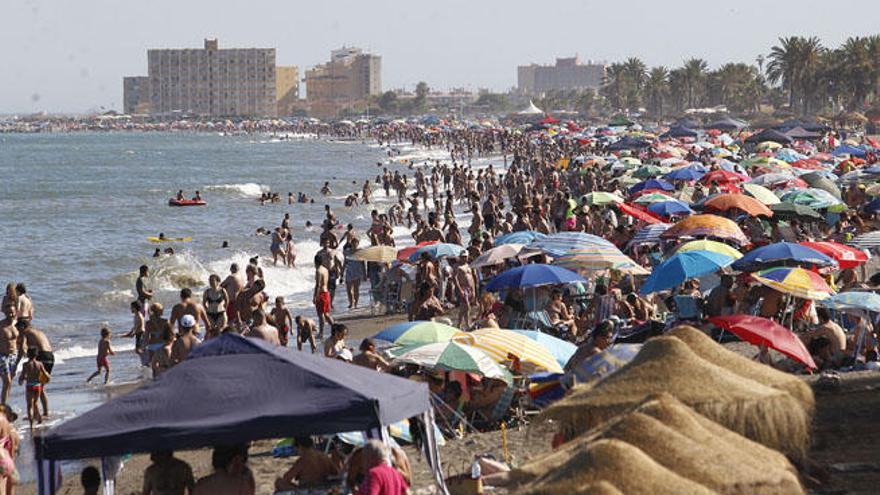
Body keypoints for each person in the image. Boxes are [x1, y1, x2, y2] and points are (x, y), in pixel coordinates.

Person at [15, 319, 53, 416]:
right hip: (50, 356)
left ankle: (36, 414)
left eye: (18, 329)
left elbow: (22, 350)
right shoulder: (37, 331)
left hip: (42, 356)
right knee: (41, 387)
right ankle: (45, 413)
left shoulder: (26, 333)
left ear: (22, 327)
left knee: (36, 386)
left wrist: (16, 364)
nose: (18, 332)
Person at [274, 436, 338, 490]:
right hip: (324, 487)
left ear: (300, 446)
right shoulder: (324, 456)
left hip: (308, 489)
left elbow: (286, 478)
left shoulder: (303, 460)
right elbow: (335, 473)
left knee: (279, 482)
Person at [19, 347, 48, 428]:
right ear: (36, 355)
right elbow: (45, 374)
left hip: (30, 386)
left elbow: (22, 376)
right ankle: (39, 418)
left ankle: (31, 424)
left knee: (29, 405)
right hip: (38, 386)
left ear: (28, 355)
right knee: (35, 403)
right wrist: (47, 379)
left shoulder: (26, 365)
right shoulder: (40, 364)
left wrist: (21, 380)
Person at [0, 305, 18, 404]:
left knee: (9, 382)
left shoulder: (17, 324)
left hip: (14, 355)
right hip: (2, 355)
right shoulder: (1, 325)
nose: (10, 315)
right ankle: (2, 408)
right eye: (8, 313)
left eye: (12, 312)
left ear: (16, 312)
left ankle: (5, 404)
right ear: (5, 313)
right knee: (7, 382)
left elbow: (21, 340)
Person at [314, 254, 333, 338]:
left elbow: (318, 285)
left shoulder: (318, 271)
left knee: (321, 314)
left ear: (315, 262)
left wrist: (315, 296)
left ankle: (321, 333)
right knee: (326, 314)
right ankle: (335, 327)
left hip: (321, 293)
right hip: (326, 293)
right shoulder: (325, 269)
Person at [203, 275, 229, 339]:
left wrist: (225, 309)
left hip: (220, 313)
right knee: (210, 332)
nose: (211, 282)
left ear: (217, 281)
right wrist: (207, 310)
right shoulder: (207, 292)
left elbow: (227, 300)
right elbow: (204, 303)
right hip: (210, 314)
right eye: (209, 280)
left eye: (212, 280)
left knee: (221, 331)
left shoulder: (222, 290)